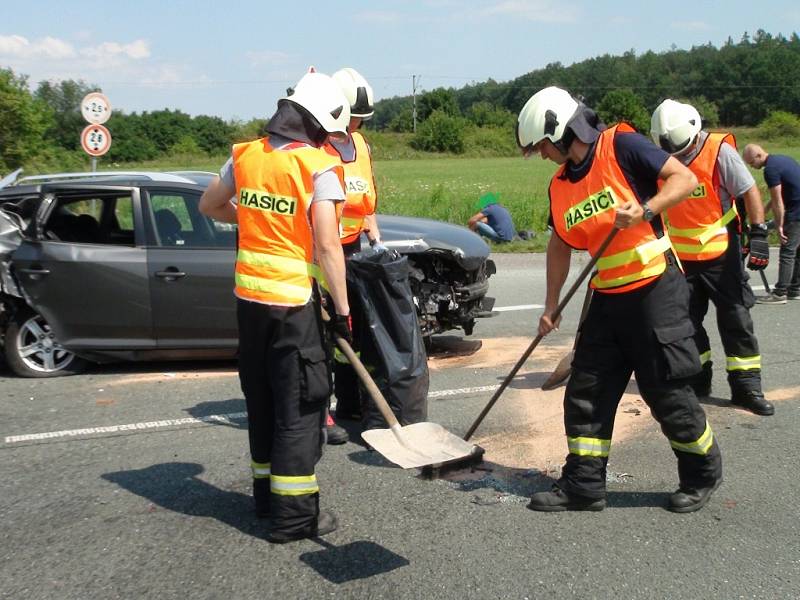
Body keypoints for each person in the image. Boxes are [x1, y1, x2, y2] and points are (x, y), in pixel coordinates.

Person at [517, 87, 722, 513]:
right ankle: (585, 485)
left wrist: (646, 209)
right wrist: (551, 305)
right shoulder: (560, 186)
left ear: (558, 132)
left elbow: (684, 179)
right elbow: (559, 244)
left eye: (540, 146)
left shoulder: (622, 145)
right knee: (587, 390)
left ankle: (702, 472)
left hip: (654, 289)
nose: (541, 155)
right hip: (606, 297)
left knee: (665, 391)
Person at [199, 71, 351, 543]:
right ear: (320, 125)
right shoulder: (318, 167)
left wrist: (256, 217)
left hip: (249, 304)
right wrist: (343, 312)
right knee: (300, 410)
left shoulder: (245, 155)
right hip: (291, 307)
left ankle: (265, 502)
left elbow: (210, 206)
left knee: (262, 404)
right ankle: (295, 518)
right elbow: (328, 247)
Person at [650, 100, 773, 416]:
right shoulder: (661, 157)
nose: (676, 157)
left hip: (721, 254)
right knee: (685, 323)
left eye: (681, 149)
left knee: (735, 319)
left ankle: (747, 388)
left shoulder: (719, 151)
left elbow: (749, 191)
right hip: (680, 258)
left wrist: (758, 234)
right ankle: (697, 378)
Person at [324, 67, 382, 431]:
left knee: (353, 331)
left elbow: (366, 201)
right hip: (322, 253)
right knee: (324, 333)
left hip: (355, 249)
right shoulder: (316, 147)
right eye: (355, 117)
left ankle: (349, 403)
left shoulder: (360, 145)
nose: (358, 124)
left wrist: (375, 238)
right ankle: (319, 409)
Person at [743, 144, 800, 304]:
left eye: (751, 163)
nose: (752, 167)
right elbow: (777, 196)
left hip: (795, 212)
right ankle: (794, 288)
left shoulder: (770, 170)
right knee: (797, 251)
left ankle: (780, 293)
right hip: (797, 207)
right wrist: (762, 210)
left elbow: (777, 201)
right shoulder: (782, 160)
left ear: (758, 156)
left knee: (787, 252)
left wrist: (780, 224)